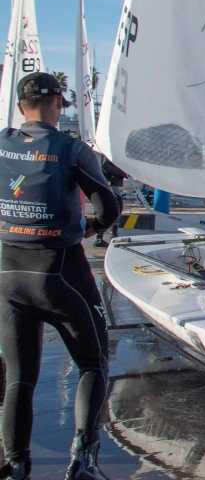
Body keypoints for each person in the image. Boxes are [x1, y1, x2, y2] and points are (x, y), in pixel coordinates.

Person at [0, 72, 121, 480]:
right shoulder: (71, 149)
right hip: (60, 274)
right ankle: (82, 460)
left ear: (21, 108)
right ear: (59, 105)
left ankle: (16, 463)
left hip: (9, 274)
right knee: (93, 362)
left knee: (20, 377)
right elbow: (109, 207)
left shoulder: (1, 142)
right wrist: (88, 230)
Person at [92, 156, 128, 247]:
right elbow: (107, 167)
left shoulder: (111, 155)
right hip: (110, 185)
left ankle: (110, 235)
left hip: (111, 184)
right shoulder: (110, 155)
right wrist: (123, 172)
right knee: (114, 209)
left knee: (115, 209)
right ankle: (105, 237)